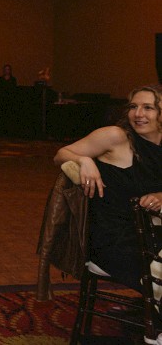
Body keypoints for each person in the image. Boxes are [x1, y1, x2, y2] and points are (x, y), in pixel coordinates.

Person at [53, 85, 162, 290]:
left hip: (150, 232)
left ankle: (151, 314)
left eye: (148, 108)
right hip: (115, 239)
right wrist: (83, 160)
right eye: (133, 106)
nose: (138, 114)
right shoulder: (116, 136)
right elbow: (60, 155)